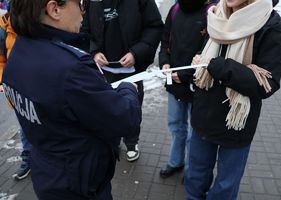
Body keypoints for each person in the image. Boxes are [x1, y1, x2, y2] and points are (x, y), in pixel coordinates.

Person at [2, 0, 141, 199]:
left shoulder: (18, 52)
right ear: (54, 9)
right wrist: (127, 88)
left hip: (48, 174)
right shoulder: (71, 68)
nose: (83, 12)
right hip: (81, 182)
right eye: (79, 4)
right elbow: (125, 119)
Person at [185, 0, 281, 199]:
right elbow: (208, 52)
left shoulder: (269, 22)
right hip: (203, 115)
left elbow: (268, 82)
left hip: (236, 122)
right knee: (194, 177)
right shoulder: (216, 15)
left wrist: (221, 67)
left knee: (225, 186)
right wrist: (199, 59)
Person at [81, 0, 163, 162]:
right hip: (103, 69)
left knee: (132, 106)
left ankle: (132, 142)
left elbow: (154, 26)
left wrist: (136, 53)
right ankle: (113, 139)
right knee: (107, 108)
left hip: (132, 68)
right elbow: (84, 30)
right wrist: (94, 52)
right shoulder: (92, 1)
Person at [158, 0, 214, 178]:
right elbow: (165, 39)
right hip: (174, 80)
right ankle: (176, 161)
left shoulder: (211, 12)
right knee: (176, 125)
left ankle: (192, 169)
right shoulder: (175, 9)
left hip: (197, 84)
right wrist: (164, 62)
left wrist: (185, 75)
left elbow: (209, 50)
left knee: (194, 132)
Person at [0, 5, 32, 181]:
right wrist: (3, 80)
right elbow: (1, 59)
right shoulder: (4, 27)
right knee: (25, 126)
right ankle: (28, 160)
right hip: (17, 88)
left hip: (40, 84)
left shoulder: (38, 24)